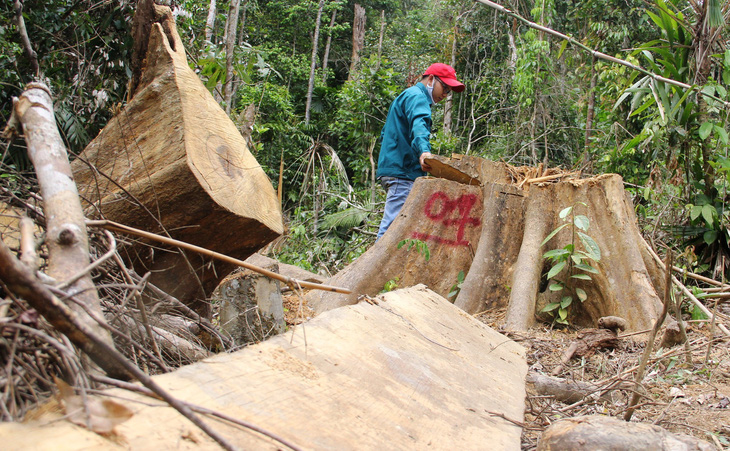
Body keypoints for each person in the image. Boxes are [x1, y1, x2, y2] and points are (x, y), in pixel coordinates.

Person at [375, 63, 465, 239]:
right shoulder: (418, 98)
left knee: (401, 227)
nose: (445, 94)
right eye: (445, 88)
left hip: (395, 169)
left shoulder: (406, 96)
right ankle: (369, 267)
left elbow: (386, 133)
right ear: (431, 79)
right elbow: (419, 126)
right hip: (403, 172)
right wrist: (424, 152)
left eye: (449, 92)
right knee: (391, 229)